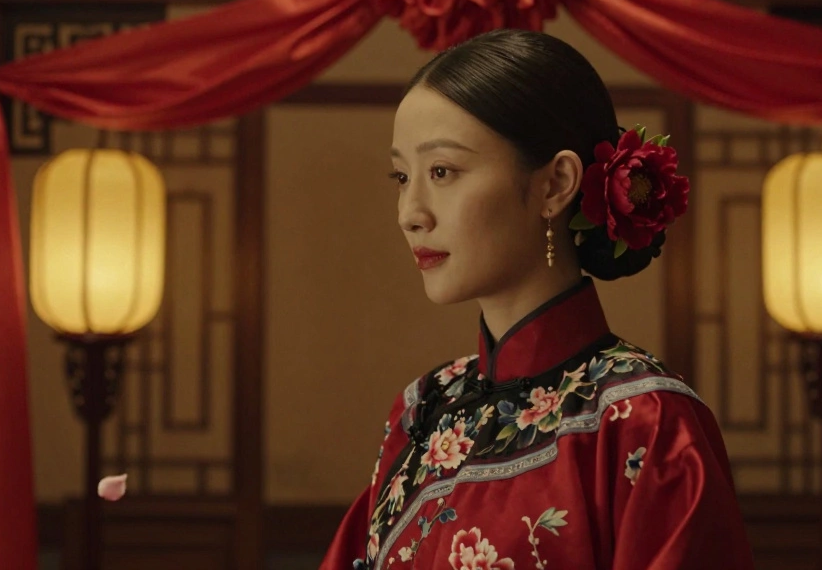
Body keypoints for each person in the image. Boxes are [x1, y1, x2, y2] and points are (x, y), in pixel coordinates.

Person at [321, 29, 754, 570]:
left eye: (442, 172)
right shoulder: (423, 408)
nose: (410, 211)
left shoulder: (645, 420)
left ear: (555, 184)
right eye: (402, 176)